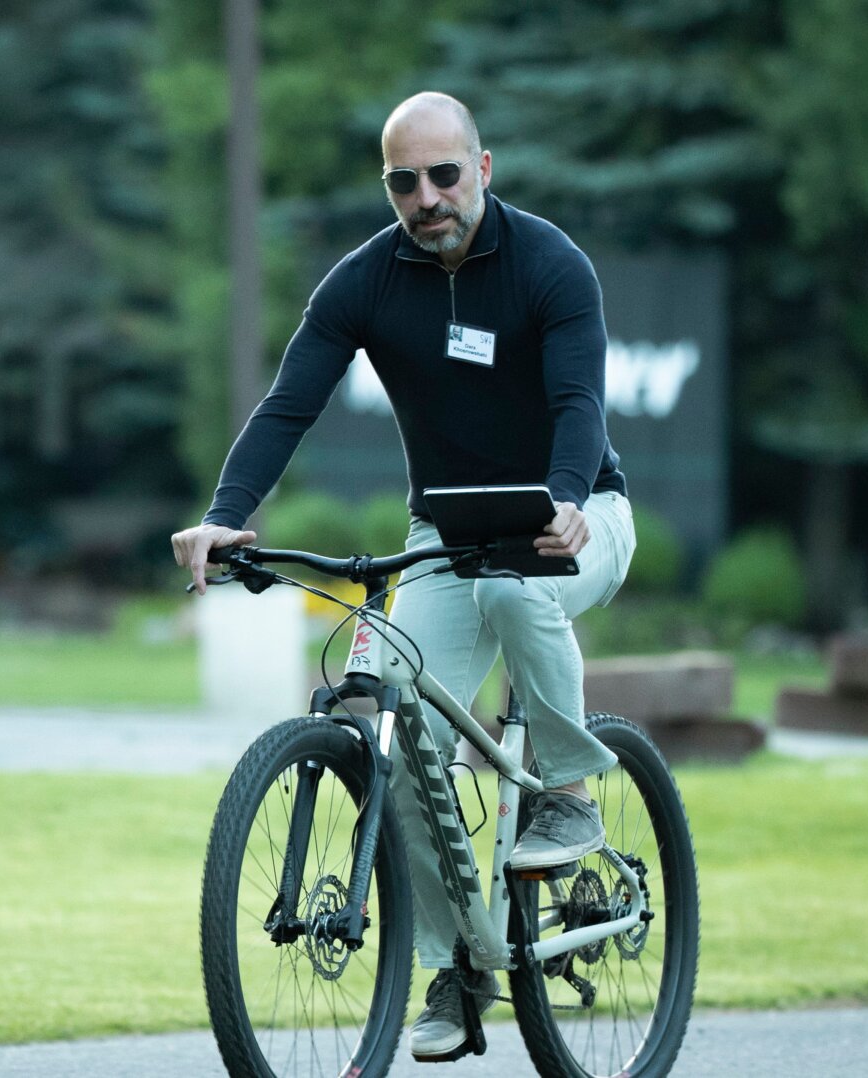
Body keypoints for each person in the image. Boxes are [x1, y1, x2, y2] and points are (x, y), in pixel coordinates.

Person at [170, 91, 637, 1063]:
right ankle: (458, 963)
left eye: (444, 175)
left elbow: (579, 402)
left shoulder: (552, 264)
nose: (427, 198)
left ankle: (568, 791)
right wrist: (225, 511)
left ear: (483, 169)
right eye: (403, 182)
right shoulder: (365, 281)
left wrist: (562, 499)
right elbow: (288, 404)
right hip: (448, 533)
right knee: (389, 710)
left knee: (513, 588)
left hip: (580, 513)